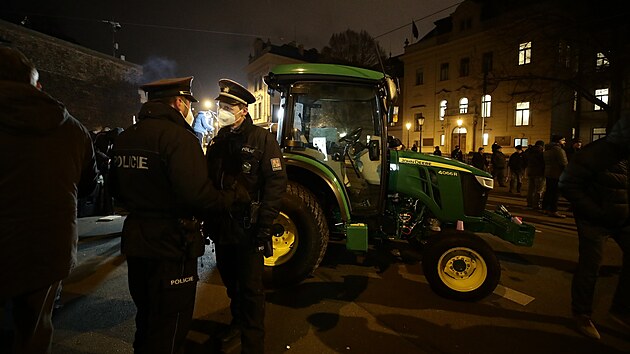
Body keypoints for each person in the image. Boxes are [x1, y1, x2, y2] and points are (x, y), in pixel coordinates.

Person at [108, 76, 248, 354]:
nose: (189, 109)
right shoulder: (179, 139)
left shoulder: (126, 137)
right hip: (172, 245)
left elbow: (115, 190)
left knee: (146, 317)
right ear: (179, 102)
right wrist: (231, 198)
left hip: (137, 242)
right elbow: (198, 196)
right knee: (170, 325)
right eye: (187, 103)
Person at [0, 47, 99, 353]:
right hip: (47, 251)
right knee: (33, 332)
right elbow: (87, 188)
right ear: (35, 83)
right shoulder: (73, 129)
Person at [203, 79, 287, 353]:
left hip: (249, 229)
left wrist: (264, 225)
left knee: (251, 290)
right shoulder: (219, 141)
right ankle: (237, 323)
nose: (223, 111)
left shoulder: (262, 139)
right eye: (221, 106)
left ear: (243, 110)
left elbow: (276, 184)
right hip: (223, 228)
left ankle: (253, 344)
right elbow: (210, 180)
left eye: (228, 106)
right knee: (230, 282)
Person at [559, 116, 630, 340]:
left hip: (623, 219)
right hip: (594, 221)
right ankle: (581, 314)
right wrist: (596, 212)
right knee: (590, 268)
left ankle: (621, 309)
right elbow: (567, 184)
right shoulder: (593, 153)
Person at [542, 135, 568, 218]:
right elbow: (564, 163)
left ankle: (545, 208)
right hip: (557, 174)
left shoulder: (547, 149)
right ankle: (554, 210)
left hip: (548, 173)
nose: (565, 142)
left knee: (549, 191)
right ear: (558, 141)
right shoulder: (558, 150)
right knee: (555, 193)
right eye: (563, 140)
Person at [525, 140, 546, 210]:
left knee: (530, 189)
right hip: (539, 173)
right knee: (539, 189)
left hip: (530, 172)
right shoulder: (541, 153)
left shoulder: (529, 151)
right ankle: (536, 204)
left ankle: (529, 203)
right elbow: (543, 162)